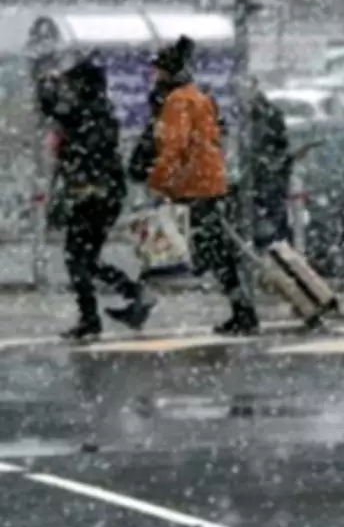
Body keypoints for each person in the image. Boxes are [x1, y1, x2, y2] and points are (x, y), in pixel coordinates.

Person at [114, 35, 261, 335]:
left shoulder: (177, 101)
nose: (154, 76)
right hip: (205, 183)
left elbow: (174, 146)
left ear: (166, 72)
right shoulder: (197, 96)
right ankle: (242, 311)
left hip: (191, 186)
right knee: (200, 248)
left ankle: (143, 305)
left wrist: (158, 179)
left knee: (165, 243)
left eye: (157, 70)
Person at [37, 55, 151, 341]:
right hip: (104, 194)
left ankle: (92, 318)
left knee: (77, 257)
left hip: (93, 195)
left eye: (73, 83)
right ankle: (132, 294)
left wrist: (48, 83)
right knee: (85, 258)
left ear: (83, 85)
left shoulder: (86, 111)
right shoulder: (98, 109)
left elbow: (54, 109)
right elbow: (55, 110)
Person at [251, 87, 292, 249]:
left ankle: (275, 242)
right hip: (270, 172)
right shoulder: (269, 115)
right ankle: (277, 242)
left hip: (270, 174)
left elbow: (281, 143)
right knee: (275, 209)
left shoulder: (266, 117)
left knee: (273, 209)